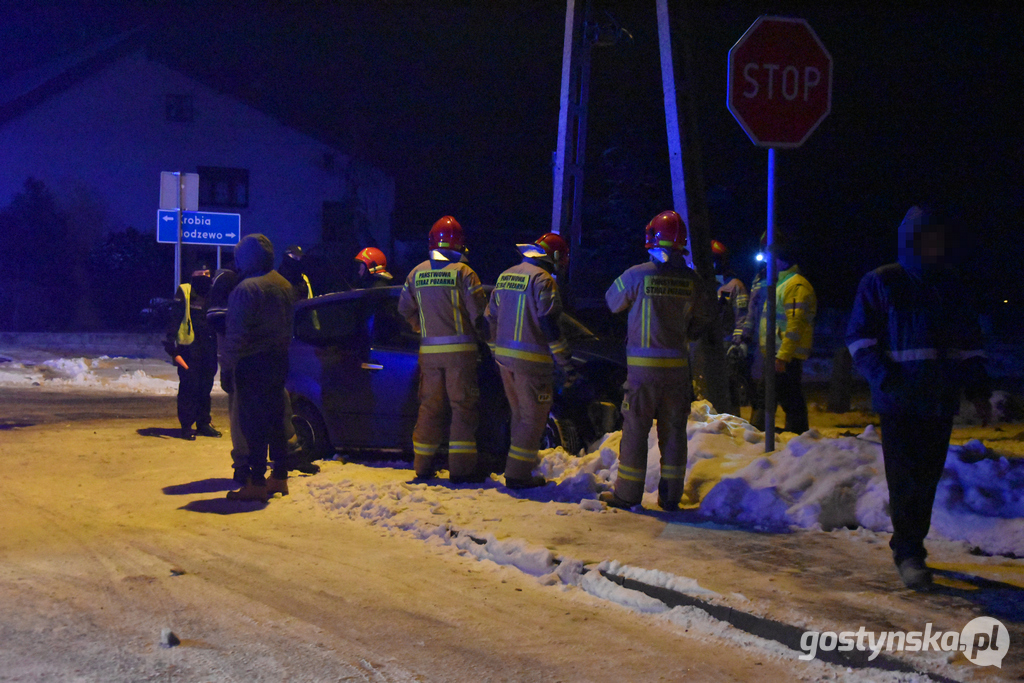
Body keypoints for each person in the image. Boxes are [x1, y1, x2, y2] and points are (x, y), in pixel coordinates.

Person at [846, 205, 991, 589]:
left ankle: (912, 543)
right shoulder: (882, 282)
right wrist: (886, 380)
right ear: (910, 241)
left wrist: (978, 392)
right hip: (899, 401)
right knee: (905, 478)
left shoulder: (951, 285)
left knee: (926, 478)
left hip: (939, 400)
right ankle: (908, 551)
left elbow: (970, 345)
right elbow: (860, 340)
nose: (934, 245)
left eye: (939, 238)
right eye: (927, 238)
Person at [600, 210, 712, 511]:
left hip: (642, 375)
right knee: (674, 433)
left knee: (635, 431)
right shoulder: (693, 281)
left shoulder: (637, 275)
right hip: (677, 374)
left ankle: (627, 494)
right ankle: (671, 496)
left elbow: (612, 302)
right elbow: (702, 322)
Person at [398, 216, 488, 483]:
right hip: (461, 355)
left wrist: (420, 326)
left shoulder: (416, 273)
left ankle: (422, 467)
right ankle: (461, 471)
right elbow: (479, 315)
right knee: (462, 409)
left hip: (429, 355)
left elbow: (404, 309)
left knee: (429, 408)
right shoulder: (464, 272)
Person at [486, 232, 574, 489]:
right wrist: (564, 362)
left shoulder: (506, 275)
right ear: (555, 257)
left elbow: (489, 318)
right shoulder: (543, 280)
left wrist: (495, 351)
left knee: (519, 417)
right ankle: (518, 476)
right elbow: (549, 323)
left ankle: (516, 469)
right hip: (532, 365)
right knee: (533, 420)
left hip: (505, 363)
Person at [221, 234, 295, 502]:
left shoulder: (246, 289)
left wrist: (227, 368)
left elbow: (235, 335)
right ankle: (280, 477)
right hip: (278, 360)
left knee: (252, 424)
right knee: (276, 420)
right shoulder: (284, 285)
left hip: (251, 363)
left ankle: (255, 481)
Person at [752, 232, 817, 434]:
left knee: (779, 398)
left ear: (778, 258)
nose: (766, 262)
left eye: (768, 257)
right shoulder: (782, 284)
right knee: (779, 397)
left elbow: (795, 325)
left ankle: (761, 435)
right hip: (777, 355)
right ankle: (785, 435)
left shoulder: (795, 286)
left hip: (784, 358)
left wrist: (783, 357)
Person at [163, 265, 220, 440]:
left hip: (209, 346)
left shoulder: (213, 292)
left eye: (207, 274)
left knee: (205, 386)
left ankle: (203, 423)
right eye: (201, 273)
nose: (205, 276)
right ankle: (186, 426)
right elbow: (175, 316)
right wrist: (170, 340)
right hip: (188, 348)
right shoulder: (185, 291)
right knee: (189, 386)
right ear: (193, 275)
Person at [712, 239, 750, 412]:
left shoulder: (734, 285)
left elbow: (741, 315)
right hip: (706, 343)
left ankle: (732, 420)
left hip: (725, 343)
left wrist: (737, 342)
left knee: (729, 384)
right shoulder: (704, 283)